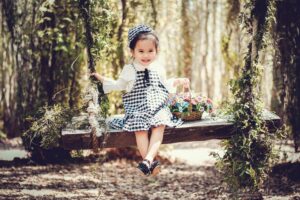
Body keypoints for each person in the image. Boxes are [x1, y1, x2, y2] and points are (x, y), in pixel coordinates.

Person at [91, 24, 189, 176]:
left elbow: (164, 85)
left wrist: (176, 81)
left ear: (156, 51)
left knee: (160, 124)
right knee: (140, 129)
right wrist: (102, 79)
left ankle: (148, 159)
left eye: (150, 51)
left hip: (157, 107)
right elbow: (119, 85)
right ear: (132, 52)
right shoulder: (129, 70)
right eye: (141, 51)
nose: (146, 55)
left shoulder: (158, 68)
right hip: (137, 109)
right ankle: (150, 163)